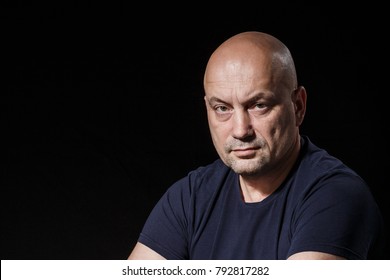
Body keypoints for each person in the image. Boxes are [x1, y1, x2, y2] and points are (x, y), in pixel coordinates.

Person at [128, 31, 385, 260]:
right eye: (222, 109)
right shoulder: (191, 197)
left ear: (298, 106)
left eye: (259, 105)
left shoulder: (337, 196)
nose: (241, 130)